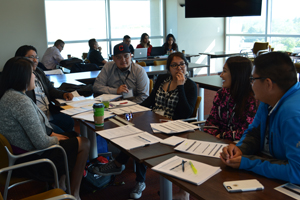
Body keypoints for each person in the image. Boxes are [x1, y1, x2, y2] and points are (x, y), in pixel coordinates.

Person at [0, 57, 90, 200]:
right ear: (22, 76)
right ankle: (74, 194)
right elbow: (41, 143)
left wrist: (54, 136)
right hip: (29, 160)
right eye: (32, 73)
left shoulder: (10, 95)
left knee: (72, 136)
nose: (34, 76)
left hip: (20, 152)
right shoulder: (19, 101)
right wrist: (54, 139)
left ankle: (59, 185)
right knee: (84, 143)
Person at [220, 52, 300, 184]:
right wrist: (240, 149)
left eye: (253, 79)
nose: (251, 84)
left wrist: (248, 162)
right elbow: (254, 132)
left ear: (268, 84)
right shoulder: (269, 99)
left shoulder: (293, 115)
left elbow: (297, 172)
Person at [15, 45, 74, 133]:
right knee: (67, 136)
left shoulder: (38, 72)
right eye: (31, 57)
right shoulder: (18, 79)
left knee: (69, 121)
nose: (35, 60)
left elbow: (50, 89)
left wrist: (63, 94)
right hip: (37, 120)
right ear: (20, 59)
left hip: (48, 113)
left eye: (36, 57)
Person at [204, 56, 257, 140]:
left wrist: (223, 136)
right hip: (218, 142)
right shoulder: (221, 94)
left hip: (238, 146)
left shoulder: (252, 99)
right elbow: (211, 122)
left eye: (224, 71)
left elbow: (248, 131)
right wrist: (214, 137)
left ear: (237, 74)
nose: (221, 75)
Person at [141, 52, 197, 120]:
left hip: (173, 124)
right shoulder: (162, 78)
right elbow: (150, 100)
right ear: (169, 68)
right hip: (154, 119)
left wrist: (180, 87)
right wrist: (136, 108)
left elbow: (186, 113)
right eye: (174, 65)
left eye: (182, 64)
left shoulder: (191, 86)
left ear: (186, 66)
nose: (179, 68)